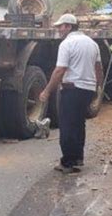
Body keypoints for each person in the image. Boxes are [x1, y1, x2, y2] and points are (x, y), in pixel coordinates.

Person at [39, 14, 103, 174]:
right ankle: (78, 158)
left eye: (61, 26)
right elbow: (99, 68)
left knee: (67, 126)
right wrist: (98, 86)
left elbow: (60, 70)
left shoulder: (67, 44)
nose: (59, 29)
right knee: (79, 124)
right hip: (87, 90)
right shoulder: (93, 44)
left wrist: (47, 91)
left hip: (72, 89)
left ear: (69, 26)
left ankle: (68, 162)